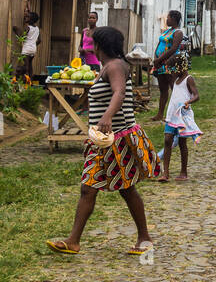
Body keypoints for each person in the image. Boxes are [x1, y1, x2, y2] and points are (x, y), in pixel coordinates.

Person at [48, 25, 160, 256]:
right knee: (90, 189)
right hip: (104, 141)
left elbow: (119, 92)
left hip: (118, 139)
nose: (92, 48)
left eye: (94, 44)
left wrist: (107, 116)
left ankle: (144, 238)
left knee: (125, 189)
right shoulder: (106, 67)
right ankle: (74, 241)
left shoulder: (117, 66)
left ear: (100, 46)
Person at [158, 62, 202, 181]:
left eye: (174, 69)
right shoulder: (175, 79)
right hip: (172, 114)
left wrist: (188, 102)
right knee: (167, 140)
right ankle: (165, 173)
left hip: (183, 116)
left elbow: (196, 95)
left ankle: (183, 172)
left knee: (182, 143)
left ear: (181, 68)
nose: (172, 72)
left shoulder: (189, 79)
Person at [150, 10, 186, 122]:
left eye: (168, 18)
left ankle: (175, 114)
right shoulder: (166, 31)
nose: (167, 19)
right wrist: (156, 58)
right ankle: (160, 114)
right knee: (163, 89)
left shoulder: (178, 32)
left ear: (174, 19)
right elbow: (160, 43)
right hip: (160, 64)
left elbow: (174, 48)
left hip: (170, 63)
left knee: (174, 89)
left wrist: (160, 59)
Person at [20, 12, 41, 83]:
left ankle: (26, 82)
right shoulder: (37, 29)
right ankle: (31, 80)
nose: (26, 18)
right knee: (30, 66)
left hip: (26, 49)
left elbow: (22, 36)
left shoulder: (28, 28)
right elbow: (39, 40)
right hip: (33, 49)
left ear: (31, 20)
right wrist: (33, 44)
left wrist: (16, 31)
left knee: (26, 67)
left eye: (28, 17)